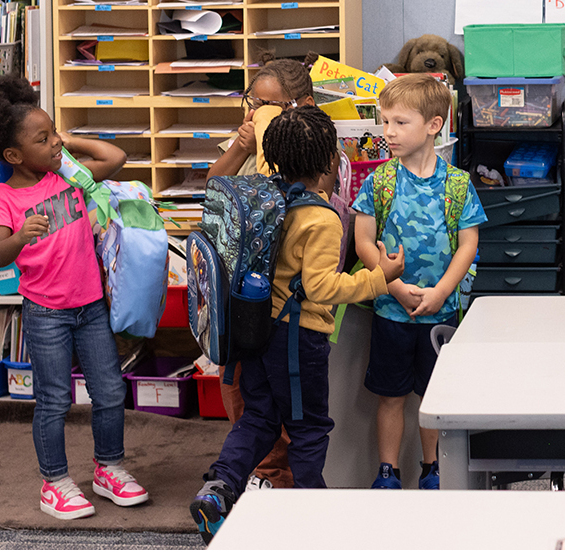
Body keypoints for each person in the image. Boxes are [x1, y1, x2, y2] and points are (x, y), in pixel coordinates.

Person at [192, 105, 404, 543]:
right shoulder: (322, 218)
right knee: (308, 427)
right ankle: (312, 509)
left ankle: (219, 488)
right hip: (298, 340)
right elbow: (322, 286)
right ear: (331, 163)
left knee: (259, 419)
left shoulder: (264, 197)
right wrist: (380, 278)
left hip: (255, 332)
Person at [0, 76, 144, 521]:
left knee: (110, 392)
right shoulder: (3, 198)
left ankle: (108, 468)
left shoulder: (69, 175)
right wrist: (20, 236)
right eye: (44, 139)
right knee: (55, 399)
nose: (55, 142)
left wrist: (64, 141)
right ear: (14, 156)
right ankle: (55, 482)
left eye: (54, 132)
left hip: (91, 306)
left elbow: (115, 158)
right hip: (45, 312)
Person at [351, 74, 485, 491]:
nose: (388, 132)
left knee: (434, 398)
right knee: (390, 397)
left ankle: (433, 469)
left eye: (399, 122)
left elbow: (468, 245)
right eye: (384, 121)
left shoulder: (458, 184)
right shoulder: (379, 181)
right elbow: (362, 241)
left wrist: (442, 291)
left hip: (440, 314)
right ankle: (387, 471)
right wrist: (392, 286)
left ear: (434, 124)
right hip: (391, 311)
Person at [203, 57, 321, 490]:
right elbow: (213, 188)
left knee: (288, 398)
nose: (256, 114)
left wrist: (275, 147)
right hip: (242, 295)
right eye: (252, 102)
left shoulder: (311, 149)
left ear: (301, 106)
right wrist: (240, 146)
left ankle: (278, 479)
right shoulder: (243, 141)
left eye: (271, 107)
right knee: (239, 387)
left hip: (287, 302)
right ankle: (252, 473)